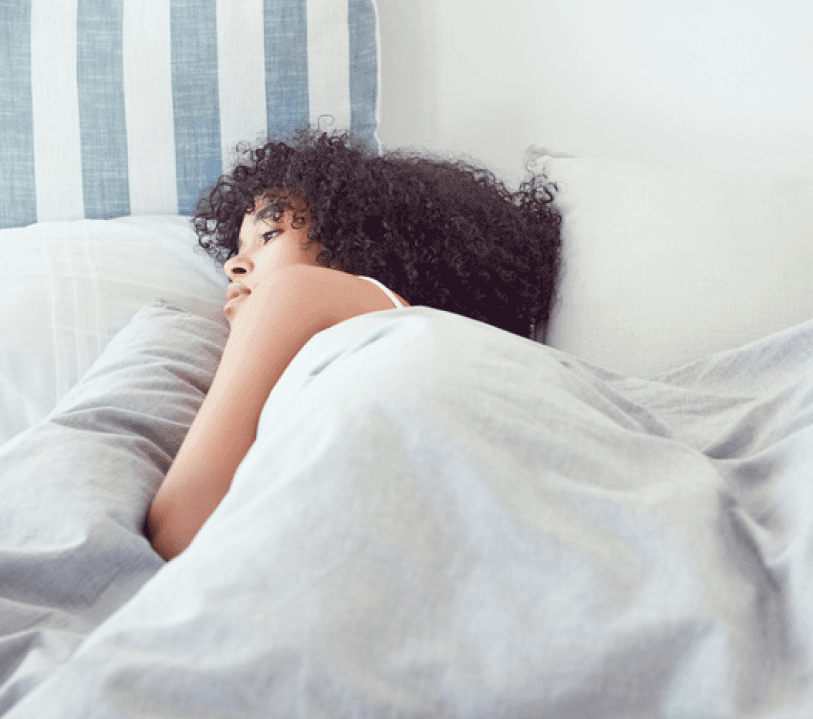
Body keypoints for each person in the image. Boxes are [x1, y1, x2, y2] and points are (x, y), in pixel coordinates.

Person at [145, 129, 563, 560]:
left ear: (355, 241)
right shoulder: (397, 333)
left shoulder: (296, 290)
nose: (234, 265)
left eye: (269, 235)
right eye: (236, 249)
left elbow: (179, 526)